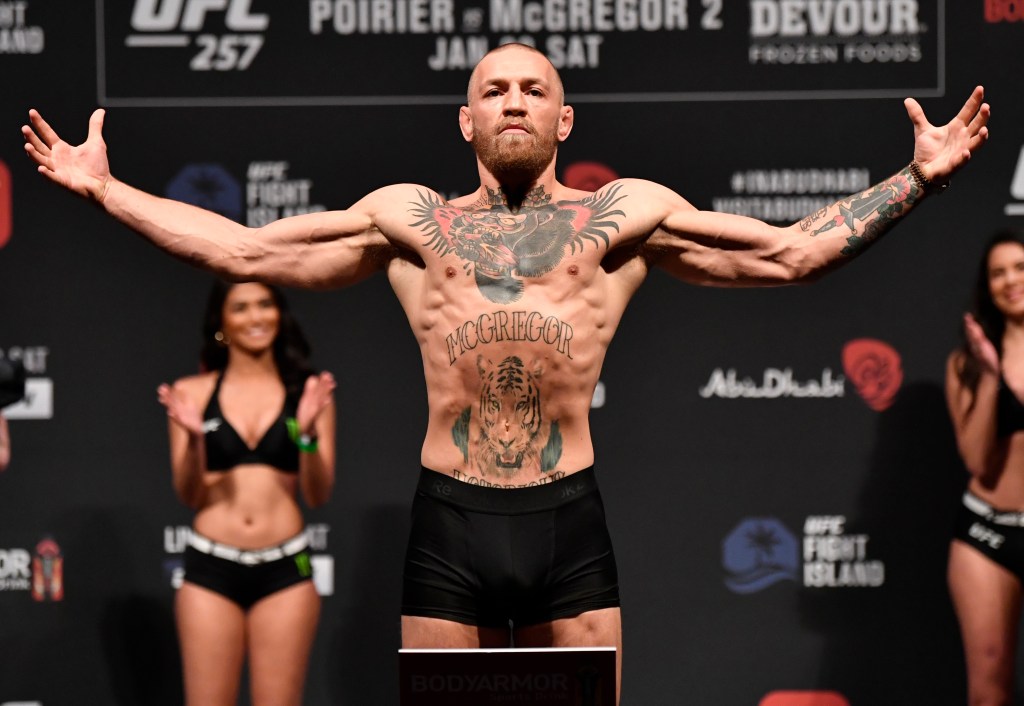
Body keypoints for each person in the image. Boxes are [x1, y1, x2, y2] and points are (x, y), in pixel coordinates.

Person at [23, 43, 989, 702]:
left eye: (533, 90)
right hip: (450, 521)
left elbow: (788, 254)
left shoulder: (624, 219)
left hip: (568, 521)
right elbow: (242, 250)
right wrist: (107, 191)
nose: (515, 101)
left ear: (565, 120)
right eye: (495, 91)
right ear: (465, 121)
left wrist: (917, 179)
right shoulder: (408, 222)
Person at [157, 280, 336, 706]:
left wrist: (307, 434)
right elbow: (189, 494)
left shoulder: (308, 392)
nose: (256, 317)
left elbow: (318, 494)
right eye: (240, 308)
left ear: (280, 313)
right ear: (221, 323)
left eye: (265, 305)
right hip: (210, 568)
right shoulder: (192, 393)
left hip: (285, 570)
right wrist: (197, 441)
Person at [946, 229, 1024, 706]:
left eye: (1019, 267)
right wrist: (993, 377)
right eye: (998, 273)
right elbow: (975, 459)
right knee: (989, 686)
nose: (1011, 280)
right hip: (987, 533)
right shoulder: (968, 366)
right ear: (986, 286)